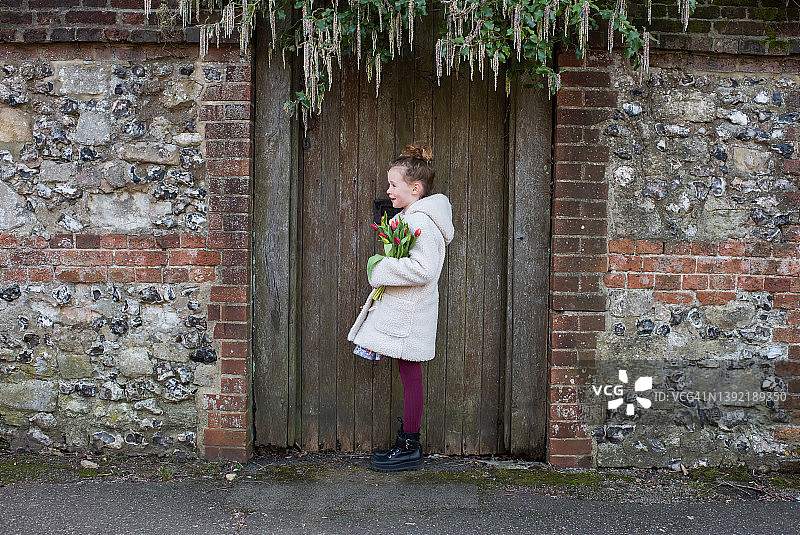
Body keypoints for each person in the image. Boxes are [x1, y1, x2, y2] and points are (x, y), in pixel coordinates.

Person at [347, 141, 454, 472]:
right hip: (407, 313)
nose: (389, 191)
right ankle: (407, 444)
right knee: (409, 377)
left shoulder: (422, 221)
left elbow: (425, 269)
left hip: (412, 315)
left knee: (411, 378)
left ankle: (409, 446)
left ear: (415, 188)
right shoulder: (411, 217)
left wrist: (381, 268)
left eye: (394, 185)